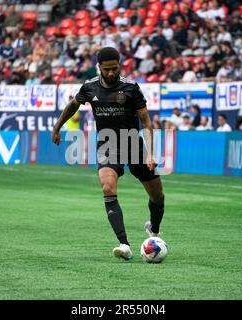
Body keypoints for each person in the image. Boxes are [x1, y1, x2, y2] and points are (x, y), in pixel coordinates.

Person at [51, 47, 165, 261]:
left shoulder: (131, 88)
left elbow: (145, 119)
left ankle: (154, 229)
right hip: (107, 145)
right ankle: (124, 244)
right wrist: (57, 127)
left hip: (133, 143)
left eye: (115, 69)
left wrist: (150, 153)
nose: (111, 73)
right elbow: (73, 105)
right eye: (107, 69)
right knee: (107, 186)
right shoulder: (89, 87)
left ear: (119, 66)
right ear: (99, 68)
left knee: (157, 196)